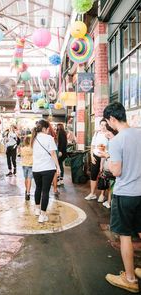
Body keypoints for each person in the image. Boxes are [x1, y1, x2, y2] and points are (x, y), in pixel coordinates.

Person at [102, 101, 141, 293]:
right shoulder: (140, 133)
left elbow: (116, 171)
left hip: (125, 193)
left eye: (107, 121)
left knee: (125, 236)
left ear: (112, 119)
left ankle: (130, 279)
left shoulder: (116, 141)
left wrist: (108, 158)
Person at [31, 120, 60, 223]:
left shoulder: (33, 138)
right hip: (48, 168)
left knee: (38, 188)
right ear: (44, 128)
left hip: (36, 169)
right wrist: (58, 167)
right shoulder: (49, 138)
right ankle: (42, 216)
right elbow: (53, 154)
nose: (48, 131)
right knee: (45, 191)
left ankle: (37, 210)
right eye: (48, 129)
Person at [85, 118, 108, 202]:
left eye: (105, 125)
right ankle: (92, 193)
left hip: (104, 157)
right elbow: (92, 146)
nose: (103, 127)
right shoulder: (97, 133)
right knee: (93, 175)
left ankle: (102, 195)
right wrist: (92, 156)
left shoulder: (108, 134)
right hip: (95, 156)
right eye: (102, 125)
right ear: (99, 125)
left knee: (103, 176)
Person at [101, 124, 118, 209]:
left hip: (113, 168)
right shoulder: (113, 140)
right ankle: (109, 201)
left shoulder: (113, 141)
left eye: (108, 131)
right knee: (112, 185)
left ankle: (109, 202)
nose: (106, 133)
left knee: (112, 185)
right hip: (112, 167)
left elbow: (113, 156)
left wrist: (106, 155)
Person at [21, 135, 33, 201]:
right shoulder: (32, 149)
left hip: (24, 165)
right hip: (31, 165)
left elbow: (21, 155)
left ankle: (26, 190)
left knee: (26, 178)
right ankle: (28, 192)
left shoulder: (22, 149)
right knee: (29, 179)